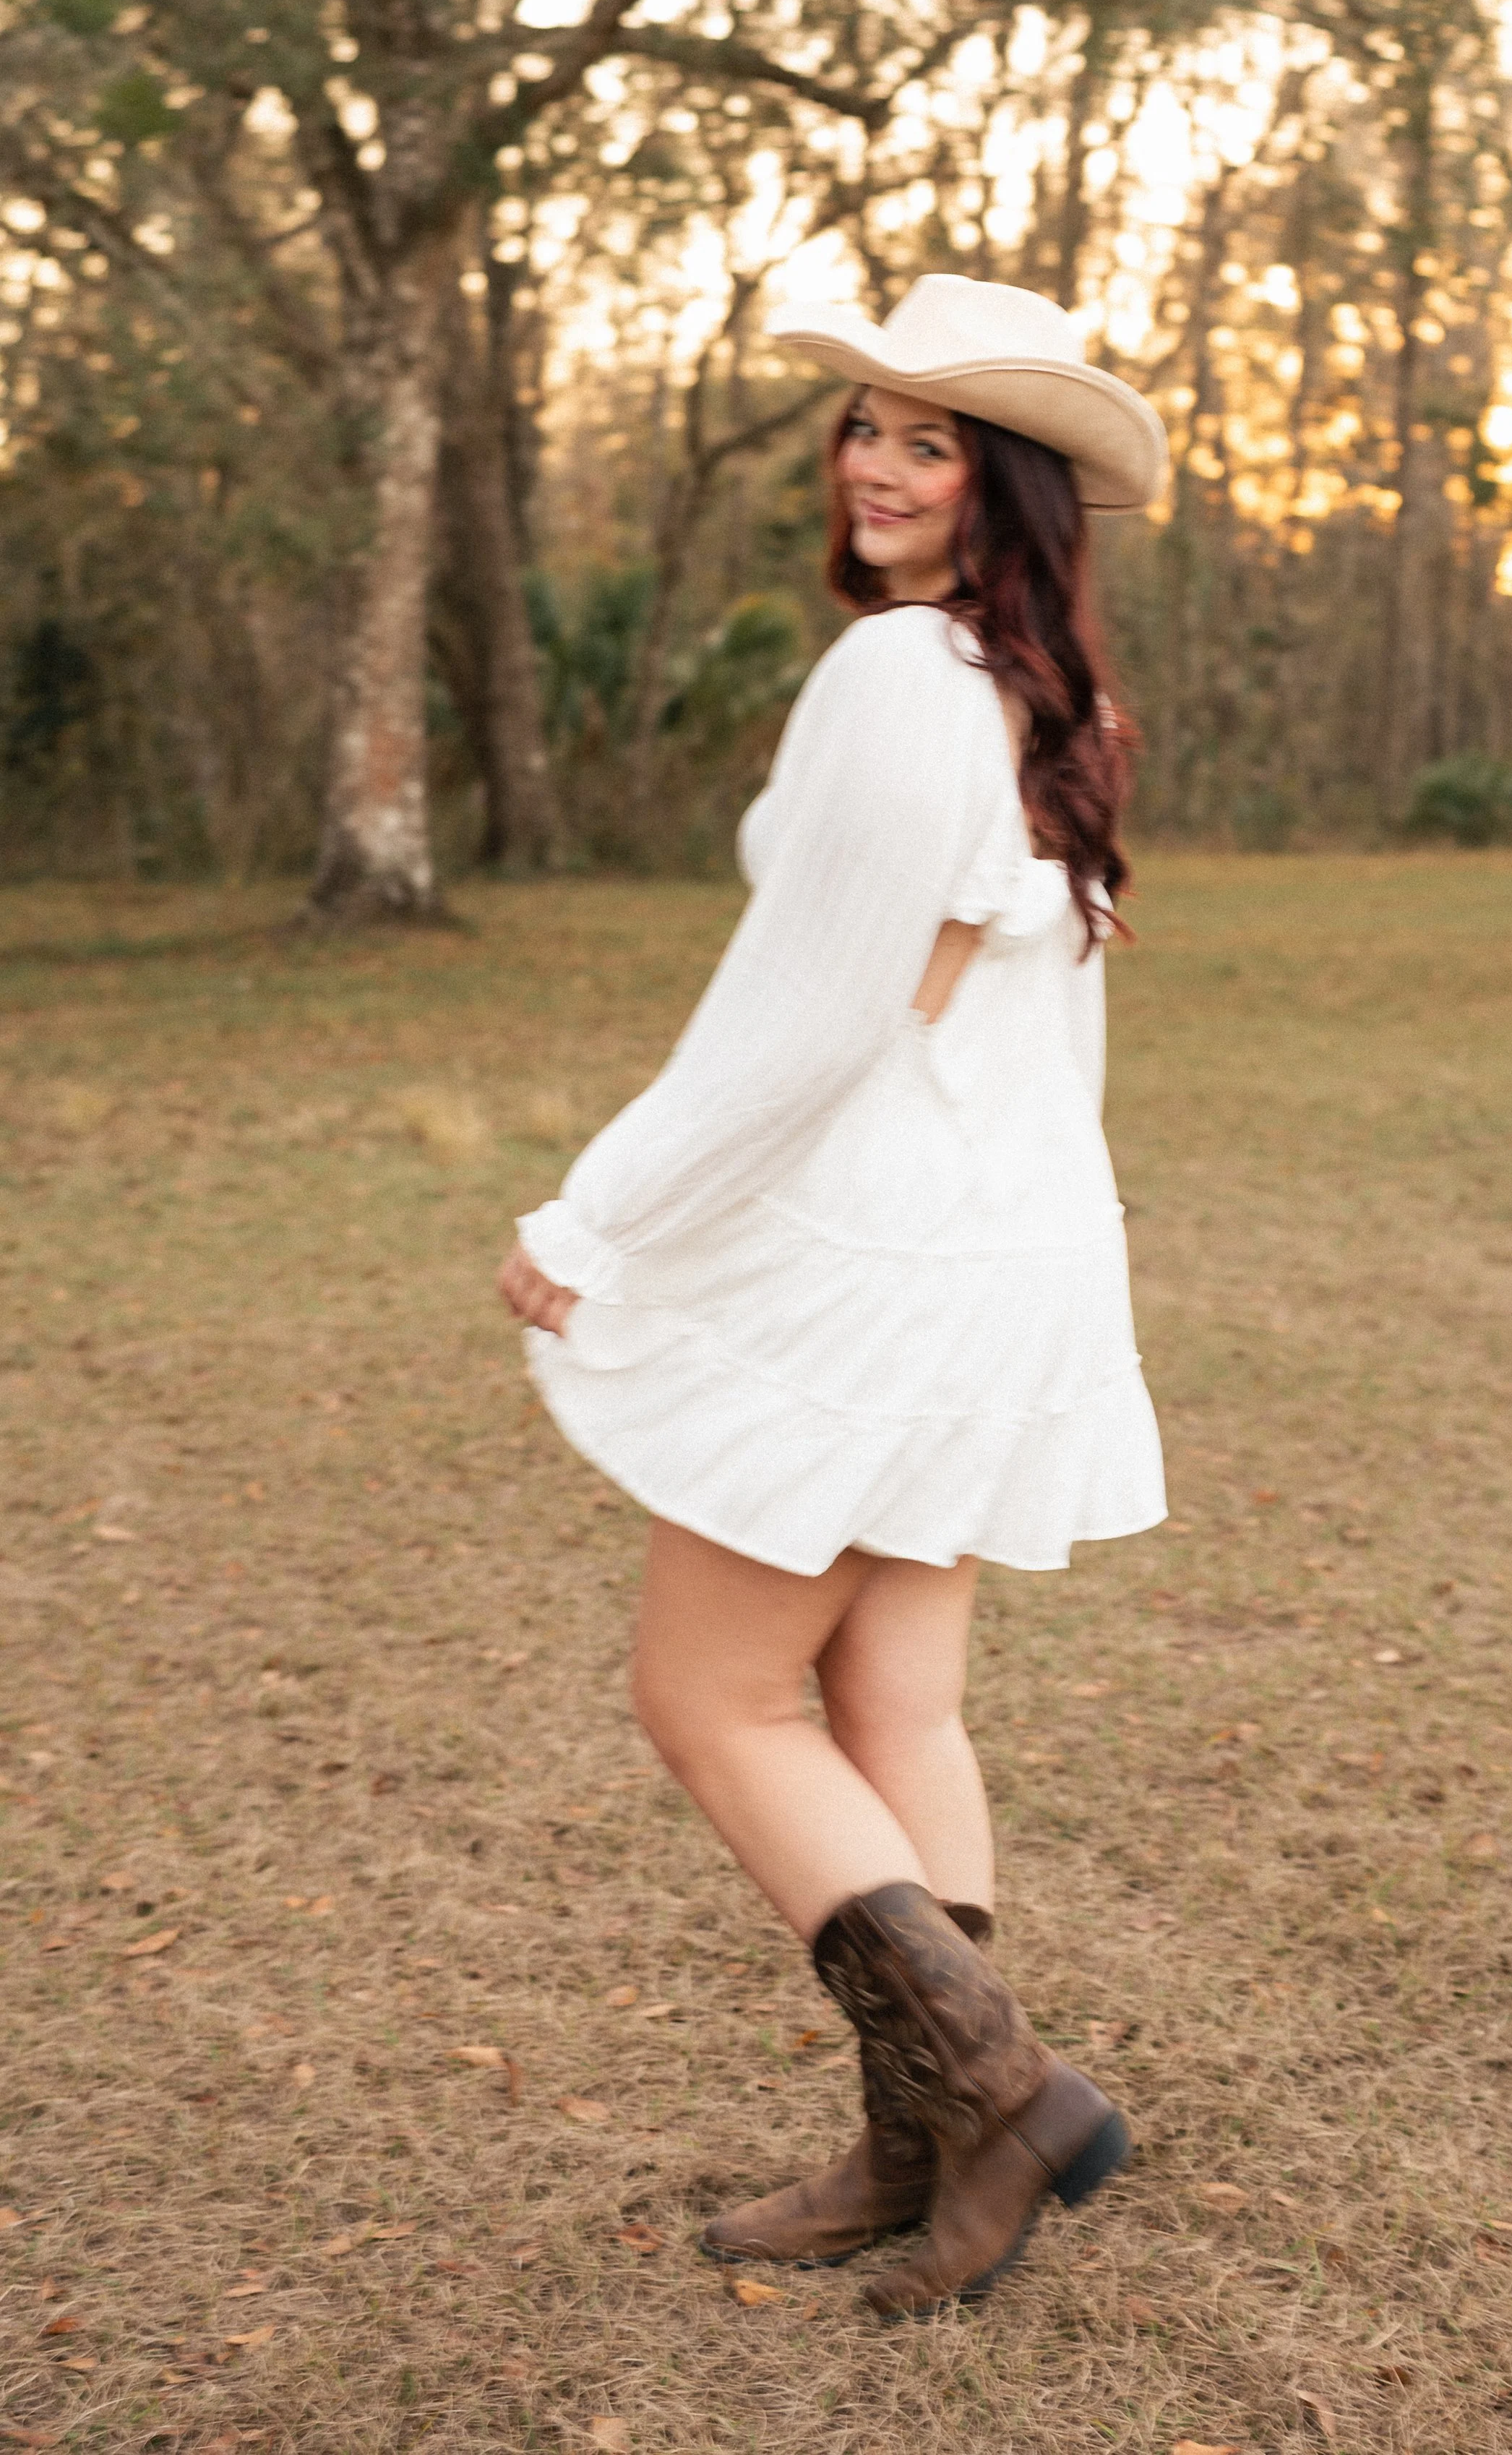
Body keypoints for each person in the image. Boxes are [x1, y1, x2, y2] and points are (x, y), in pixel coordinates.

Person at [497, 273, 1169, 2320]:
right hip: (1009, 1245)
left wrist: (596, 1212)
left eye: (928, 436)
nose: (873, 463)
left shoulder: (900, 678)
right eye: (864, 425)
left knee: (704, 1694)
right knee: (893, 1699)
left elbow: (801, 1020)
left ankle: (993, 2089)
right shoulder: (1053, 699)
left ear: (1008, 484)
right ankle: (918, 2145)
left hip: (897, 1256)